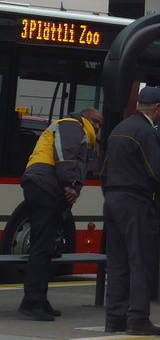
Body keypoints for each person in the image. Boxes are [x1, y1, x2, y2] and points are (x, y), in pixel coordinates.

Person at [101, 87, 160, 335]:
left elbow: (104, 171)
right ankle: (138, 319)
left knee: (118, 261)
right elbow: (157, 170)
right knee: (140, 260)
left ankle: (114, 318)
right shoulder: (145, 131)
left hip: (112, 199)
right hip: (135, 201)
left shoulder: (119, 129)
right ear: (156, 108)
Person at [17, 108, 103, 321]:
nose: (97, 126)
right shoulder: (73, 125)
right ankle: (32, 302)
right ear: (84, 117)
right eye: (95, 121)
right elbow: (66, 154)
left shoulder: (71, 126)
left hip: (40, 184)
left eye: (100, 123)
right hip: (45, 186)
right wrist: (71, 184)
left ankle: (39, 299)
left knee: (45, 247)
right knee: (42, 247)